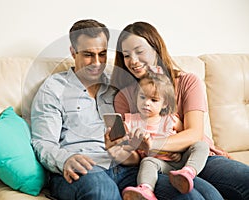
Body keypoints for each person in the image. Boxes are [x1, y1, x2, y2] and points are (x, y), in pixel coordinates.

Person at [30, 19, 221, 200]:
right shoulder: (54, 88)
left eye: (102, 54)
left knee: (189, 194)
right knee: (101, 188)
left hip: (125, 167)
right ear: (73, 52)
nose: (97, 63)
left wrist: (127, 150)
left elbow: (134, 137)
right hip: (82, 168)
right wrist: (65, 160)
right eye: (88, 55)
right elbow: (43, 143)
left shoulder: (116, 86)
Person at [109, 21, 249, 200]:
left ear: (156, 49)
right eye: (126, 55)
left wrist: (155, 143)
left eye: (139, 51)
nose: (133, 61)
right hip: (160, 163)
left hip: (200, 157)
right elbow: (132, 150)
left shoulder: (187, 82)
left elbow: (194, 134)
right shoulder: (124, 96)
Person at [120, 72, 209, 199]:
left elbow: (186, 137)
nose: (147, 103)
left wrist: (180, 153)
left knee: (201, 145)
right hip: (159, 164)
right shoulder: (131, 122)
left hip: (181, 161)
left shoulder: (171, 119)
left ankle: (188, 172)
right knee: (147, 162)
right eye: (142, 97)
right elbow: (126, 145)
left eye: (154, 100)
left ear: (165, 103)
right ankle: (146, 189)